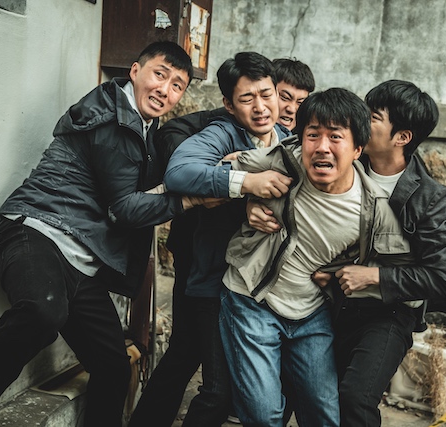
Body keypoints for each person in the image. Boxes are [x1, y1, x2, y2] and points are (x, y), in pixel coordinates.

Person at [0, 41, 207, 427]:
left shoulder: (146, 126)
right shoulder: (113, 119)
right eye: (159, 75)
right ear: (135, 71)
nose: (165, 90)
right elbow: (125, 209)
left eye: (177, 85)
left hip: (80, 258)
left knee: (113, 366)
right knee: (43, 312)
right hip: (37, 231)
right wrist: (191, 200)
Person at [249, 80, 446, 426]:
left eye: (373, 116)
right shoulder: (341, 156)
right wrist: (250, 204)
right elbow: (277, 170)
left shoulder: (426, 197)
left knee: (355, 398)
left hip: (388, 313)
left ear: (402, 137)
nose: (358, 119)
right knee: (298, 394)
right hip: (330, 304)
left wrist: (375, 276)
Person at [129, 57, 314, 427]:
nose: (262, 107)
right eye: (248, 98)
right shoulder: (223, 132)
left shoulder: (288, 141)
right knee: (218, 390)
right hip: (211, 278)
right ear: (229, 104)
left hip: (253, 285)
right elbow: (180, 172)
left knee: (185, 356)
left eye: (267, 95)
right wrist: (242, 180)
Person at [214, 87, 414, 426]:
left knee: (325, 416)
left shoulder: (375, 208)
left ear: (358, 149)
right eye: (313, 135)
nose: (322, 147)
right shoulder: (284, 160)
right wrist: (247, 193)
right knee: (264, 416)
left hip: (311, 314)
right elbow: (216, 173)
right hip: (251, 300)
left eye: (335, 136)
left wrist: (350, 279)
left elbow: (405, 273)